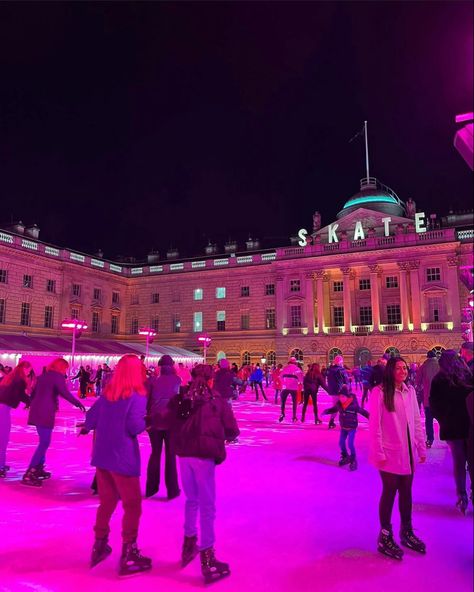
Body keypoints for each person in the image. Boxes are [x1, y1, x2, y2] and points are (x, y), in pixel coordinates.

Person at [82, 354, 151, 576]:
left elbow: (90, 419)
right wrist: (147, 422)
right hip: (122, 456)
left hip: (102, 455)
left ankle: (99, 544)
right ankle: (129, 550)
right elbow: (133, 427)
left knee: (107, 502)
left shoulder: (108, 394)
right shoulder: (138, 395)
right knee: (132, 504)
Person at [169, 364, 239, 584]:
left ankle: (189, 543)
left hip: (184, 455)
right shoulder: (216, 401)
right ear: (210, 380)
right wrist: (228, 435)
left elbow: (169, 420)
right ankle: (207, 555)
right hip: (203, 456)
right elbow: (232, 429)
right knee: (207, 505)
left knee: (191, 500)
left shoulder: (183, 399)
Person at [369, 356, 426, 560]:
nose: (403, 371)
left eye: (405, 368)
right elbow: (375, 425)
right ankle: (385, 535)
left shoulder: (409, 391)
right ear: (390, 371)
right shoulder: (380, 393)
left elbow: (416, 421)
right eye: (398, 368)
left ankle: (407, 530)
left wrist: (421, 445)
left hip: (408, 451)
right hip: (389, 451)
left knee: (406, 492)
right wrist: (378, 452)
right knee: (390, 492)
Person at [22, 358, 86, 486]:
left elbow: (33, 394)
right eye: (65, 368)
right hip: (45, 412)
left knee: (44, 442)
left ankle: (38, 469)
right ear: (61, 367)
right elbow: (65, 393)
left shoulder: (43, 376)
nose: (65, 371)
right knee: (44, 443)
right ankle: (30, 473)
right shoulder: (57, 377)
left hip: (37, 411)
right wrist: (78, 403)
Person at [429, 350, 473, 514]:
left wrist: (444, 420)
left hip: (453, 427)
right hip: (469, 425)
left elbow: (434, 405)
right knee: (472, 462)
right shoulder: (467, 376)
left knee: (459, 463)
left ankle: (462, 495)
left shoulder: (439, 380)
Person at [145, 354, 181, 500]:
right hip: (171, 420)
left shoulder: (152, 381)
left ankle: (151, 487)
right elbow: (178, 399)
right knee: (170, 455)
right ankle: (172, 490)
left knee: (155, 453)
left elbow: (147, 401)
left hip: (154, 420)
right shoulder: (177, 380)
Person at [322, 385, 369, 470]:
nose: (341, 398)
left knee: (350, 444)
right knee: (341, 443)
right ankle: (345, 456)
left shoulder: (353, 405)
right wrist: (327, 411)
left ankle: (353, 459)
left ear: (347, 397)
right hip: (344, 427)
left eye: (343, 397)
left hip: (352, 428)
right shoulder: (339, 404)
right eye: (339, 397)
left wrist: (371, 417)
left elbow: (362, 412)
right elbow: (334, 409)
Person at [0, 361, 32, 478]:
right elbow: (20, 395)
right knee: (3, 439)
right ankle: (0, 467)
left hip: (2, 409)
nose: (29, 372)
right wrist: (30, 401)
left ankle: (1, 464)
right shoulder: (20, 380)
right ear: (24, 368)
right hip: (3, 411)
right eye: (29, 370)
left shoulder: (10, 377)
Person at [416, 351, 439, 448]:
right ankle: (448, 439)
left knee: (429, 420)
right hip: (440, 399)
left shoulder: (423, 367)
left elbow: (418, 381)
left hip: (428, 398)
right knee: (443, 419)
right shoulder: (440, 365)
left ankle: (430, 440)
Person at [279, 357, 304, 423]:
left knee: (283, 402)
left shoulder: (285, 368)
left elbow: (280, 377)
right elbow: (301, 380)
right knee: (294, 402)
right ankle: (294, 416)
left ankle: (282, 414)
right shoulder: (297, 369)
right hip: (293, 388)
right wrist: (299, 384)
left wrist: (284, 383)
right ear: (295, 362)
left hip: (285, 388)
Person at [326, 355, 348, 429]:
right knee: (344, 406)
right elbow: (346, 380)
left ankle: (331, 421)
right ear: (341, 362)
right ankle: (344, 422)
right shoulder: (341, 370)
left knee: (336, 406)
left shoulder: (330, 369)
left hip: (333, 391)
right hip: (340, 391)